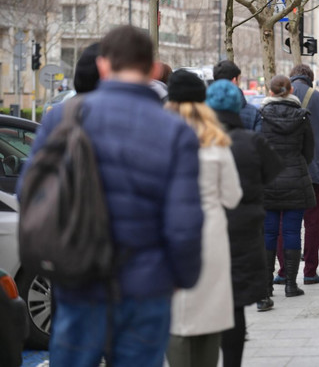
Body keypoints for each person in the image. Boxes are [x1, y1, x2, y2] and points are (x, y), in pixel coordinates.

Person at [19, 25, 204, 367]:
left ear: (103, 66)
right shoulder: (175, 129)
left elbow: (29, 189)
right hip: (146, 282)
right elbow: (185, 221)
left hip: (78, 277)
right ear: (151, 69)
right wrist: (183, 276)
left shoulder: (64, 116)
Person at [164, 70, 242, 367]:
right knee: (210, 314)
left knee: (178, 318)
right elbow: (232, 197)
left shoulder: (159, 140)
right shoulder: (216, 143)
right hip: (211, 233)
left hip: (170, 231)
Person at [206, 79, 282, 367]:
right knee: (235, 304)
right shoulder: (252, 141)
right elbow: (272, 171)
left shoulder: (199, 140)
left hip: (208, 231)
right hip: (245, 229)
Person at [272, 64, 319, 287]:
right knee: (312, 219)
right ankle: (310, 271)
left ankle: (283, 271)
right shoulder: (318, 98)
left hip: (284, 169)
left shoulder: (279, 97)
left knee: (282, 220)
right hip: (313, 167)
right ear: (310, 78)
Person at [259, 75, 315, 305]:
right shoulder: (301, 117)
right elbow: (309, 151)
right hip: (295, 179)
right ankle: (291, 284)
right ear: (291, 90)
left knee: (268, 233)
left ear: (270, 91)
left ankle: (264, 290)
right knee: (292, 231)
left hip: (267, 182)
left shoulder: (260, 116)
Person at [213, 60, 262, 131]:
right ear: (234, 80)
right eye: (239, 79)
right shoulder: (253, 113)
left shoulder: (203, 111)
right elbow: (258, 140)